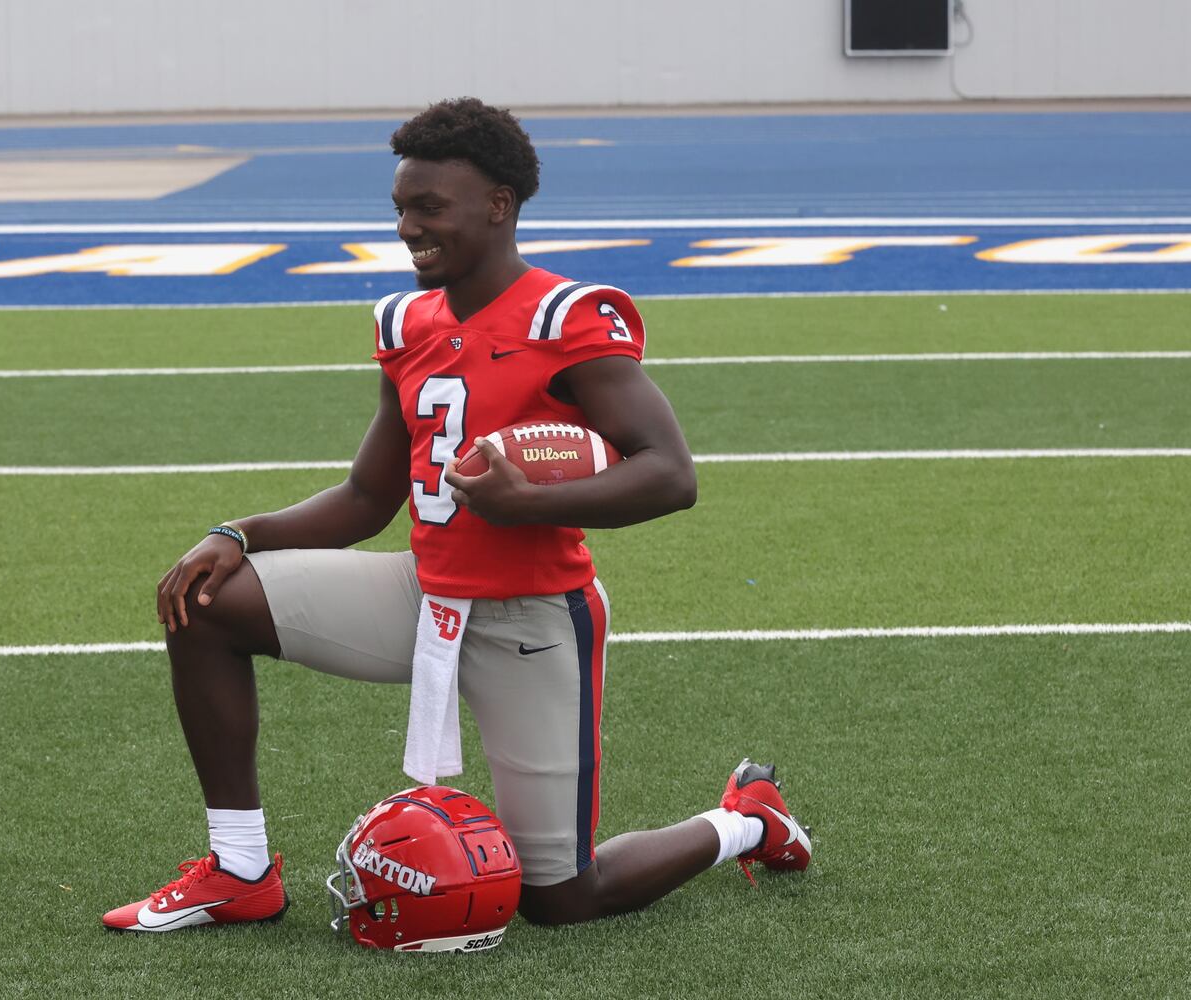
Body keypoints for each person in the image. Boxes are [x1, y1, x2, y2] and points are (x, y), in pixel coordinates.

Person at [102, 98, 811, 934]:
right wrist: (237, 534)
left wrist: (531, 502)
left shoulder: (565, 317)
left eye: (428, 207)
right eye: (400, 208)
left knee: (559, 899)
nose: (407, 227)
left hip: (532, 618)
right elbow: (368, 498)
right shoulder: (406, 322)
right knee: (204, 603)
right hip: (423, 597)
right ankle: (239, 869)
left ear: (497, 205)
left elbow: (670, 474)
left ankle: (745, 820)